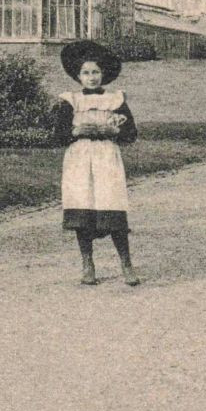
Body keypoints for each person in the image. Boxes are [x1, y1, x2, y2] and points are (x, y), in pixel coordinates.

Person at [52, 39, 140, 287]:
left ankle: (126, 264)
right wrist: (77, 130)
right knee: (83, 208)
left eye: (96, 72)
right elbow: (59, 135)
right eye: (86, 73)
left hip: (106, 158)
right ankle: (88, 263)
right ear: (78, 76)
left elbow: (131, 133)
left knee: (112, 206)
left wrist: (112, 131)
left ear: (104, 74)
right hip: (79, 159)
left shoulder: (115, 100)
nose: (91, 78)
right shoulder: (71, 101)